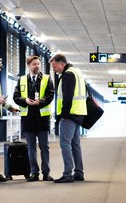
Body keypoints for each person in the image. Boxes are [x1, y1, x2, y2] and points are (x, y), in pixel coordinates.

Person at [13, 55, 55, 182]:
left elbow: (50, 95)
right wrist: (25, 100)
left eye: (38, 64)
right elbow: (16, 97)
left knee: (44, 147)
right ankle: (34, 173)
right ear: (29, 66)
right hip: (28, 119)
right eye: (34, 64)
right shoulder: (22, 80)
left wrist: (39, 102)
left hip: (42, 118)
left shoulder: (47, 79)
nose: (37, 66)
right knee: (31, 148)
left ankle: (46, 173)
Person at [49, 53, 87, 183]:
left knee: (65, 143)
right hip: (79, 113)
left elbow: (67, 97)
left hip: (70, 115)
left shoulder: (68, 74)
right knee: (75, 143)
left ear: (62, 64)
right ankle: (79, 172)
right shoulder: (77, 72)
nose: (54, 70)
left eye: (54, 67)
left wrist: (63, 116)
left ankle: (67, 173)